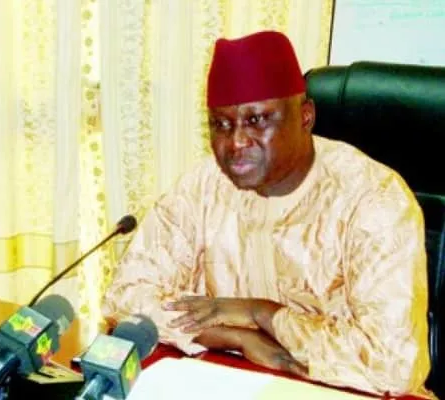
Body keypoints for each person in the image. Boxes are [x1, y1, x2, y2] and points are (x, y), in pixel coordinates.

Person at [102, 30, 431, 397]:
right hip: (228, 380)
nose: (236, 143)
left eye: (257, 120)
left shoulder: (374, 200)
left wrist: (262, 314)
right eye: (221, 124)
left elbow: (393, 364)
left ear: (305, 117)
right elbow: (125, 296)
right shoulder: (204, 185)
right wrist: (234, 337)